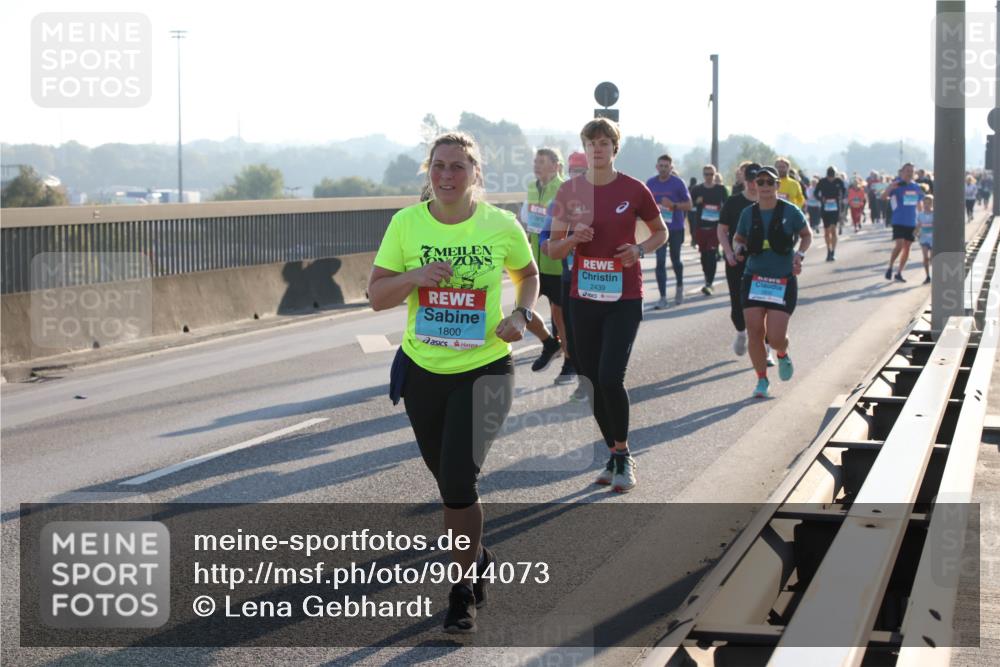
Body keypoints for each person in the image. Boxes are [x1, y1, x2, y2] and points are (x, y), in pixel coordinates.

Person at [369, 132, 538, 633]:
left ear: (475, 173)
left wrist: (523, 313)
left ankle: (460, 590)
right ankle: (477, 555)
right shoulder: (406, 224)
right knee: (447, 484)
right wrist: (415, 276)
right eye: (438, 167)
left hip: (486, 367)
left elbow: (528, 274)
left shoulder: (500, 225)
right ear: (429, 171)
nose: (446, 176)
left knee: (460, 483)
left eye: (457, 167)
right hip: (424, 372)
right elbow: (377, 296)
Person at [548, 118, 666, 493]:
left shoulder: (635, 189)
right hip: (583, 297)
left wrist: (639, 249)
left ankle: (624, 454)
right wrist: (572, 240)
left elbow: (661, 232)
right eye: (590, 142)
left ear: (615, 147)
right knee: (593, 378)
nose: (597, 148)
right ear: (584, 148)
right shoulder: (569, 190)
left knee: (611, 375)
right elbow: (551, 248)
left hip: (624, 296)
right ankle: (613, 453)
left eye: (604, 142)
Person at [732, 166, 812, 398]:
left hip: (782, 281)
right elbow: (739, 237)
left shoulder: (790, 211)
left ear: (777, 185)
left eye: (770, 182)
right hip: (754, 278)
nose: (765, 186)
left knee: (775, 338)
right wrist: (738, 248)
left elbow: (806, 235)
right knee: (754, 332)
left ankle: (782, 353)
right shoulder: (749, 213)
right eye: (761, 182)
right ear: (755, 185)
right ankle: (761, 380)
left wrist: (800, 254)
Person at [542, 151, 590, 397]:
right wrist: (546, 243)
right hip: (569, 277)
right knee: (572, 330)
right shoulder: (560, 201)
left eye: (582, 172)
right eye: (574, 172)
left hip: (598, 279)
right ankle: (581, 377)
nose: (578, 177)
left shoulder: (602, 198)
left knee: (596, 333)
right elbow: (545, 233)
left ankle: (600, 376)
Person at [520, 148, 570, 376]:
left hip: (557, 264)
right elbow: (525, 217)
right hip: (535, 264)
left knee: (560, 317)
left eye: (542, 161)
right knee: (522, 312)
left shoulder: (565, 189)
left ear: (556, 165)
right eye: (535, 161)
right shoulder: (532, 187)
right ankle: (550, 343)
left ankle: (570, 362)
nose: (536, 165)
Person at [719, 162, 759, 357]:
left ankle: (765, 347)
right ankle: (741, 332)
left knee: (763, 303)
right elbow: (722, 229)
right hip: (737, 260)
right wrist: (727, 252)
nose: (754, 185)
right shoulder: (734, 202)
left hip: (762, 262)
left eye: (757, 180)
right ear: (745, 180)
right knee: (738, 303)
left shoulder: (769, 202)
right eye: (750, 180)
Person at [645, 154, 692, 309]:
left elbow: (689, 205)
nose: (663, 169)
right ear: (656, 167)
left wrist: (674, 205)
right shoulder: (650, 183)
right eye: (661, 166)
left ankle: (679, 286)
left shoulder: (678, 183)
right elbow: (643, 204)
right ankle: (663, 297)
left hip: (675, 228)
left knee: (675, 260)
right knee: (660, 262)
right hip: (658, 229)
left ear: (671, 168)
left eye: (666, 166)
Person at [690, 164, 729, 296]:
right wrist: (697, 202)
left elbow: (728, 204)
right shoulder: (697, 189)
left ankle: (709, 283)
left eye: (711, 174)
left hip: (715, 227)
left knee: (712, 254)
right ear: (703, 175)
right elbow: (689, 204)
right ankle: (707, 277)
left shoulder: (721, 189)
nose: (708, 177)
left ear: (715, 175)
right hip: (701, 227)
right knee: (704, 256)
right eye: (706, 174)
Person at [882, 162, 925, 282]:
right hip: (899, 220)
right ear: (902, 172)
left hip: (911, 222)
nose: (909, 173)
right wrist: (890, 187)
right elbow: (883, 197)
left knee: (907, 248)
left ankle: (899, 273)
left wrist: (920, 221)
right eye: (907, 171)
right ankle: (890, 266)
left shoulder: (916, 187)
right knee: (899, 245)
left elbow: (919, 205)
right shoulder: (897, 185)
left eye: (911, 171)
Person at [814, 166, 846, 261]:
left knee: (833, 230)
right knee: (827, 231)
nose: (831, 179)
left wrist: (839, 198)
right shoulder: (822, 181)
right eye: (829, 177)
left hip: (835, 208)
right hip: (825, 208)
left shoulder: (839, 181)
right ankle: (828, 249)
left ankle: (833, 252)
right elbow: (816, 193)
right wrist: (821, 199)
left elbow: (844, 191)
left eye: (832, 177)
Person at [916, 194, 934, 284]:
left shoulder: (935, 214)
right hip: (924, 239)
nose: (927, 205)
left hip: (933, 238)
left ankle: (935, 275)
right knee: (925, 258)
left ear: (932, 204)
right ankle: (927, 276)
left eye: (929, 203)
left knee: (932, 258)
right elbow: (918, 226)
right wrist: (916, 233)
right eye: (925, 203)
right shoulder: (920, 215)